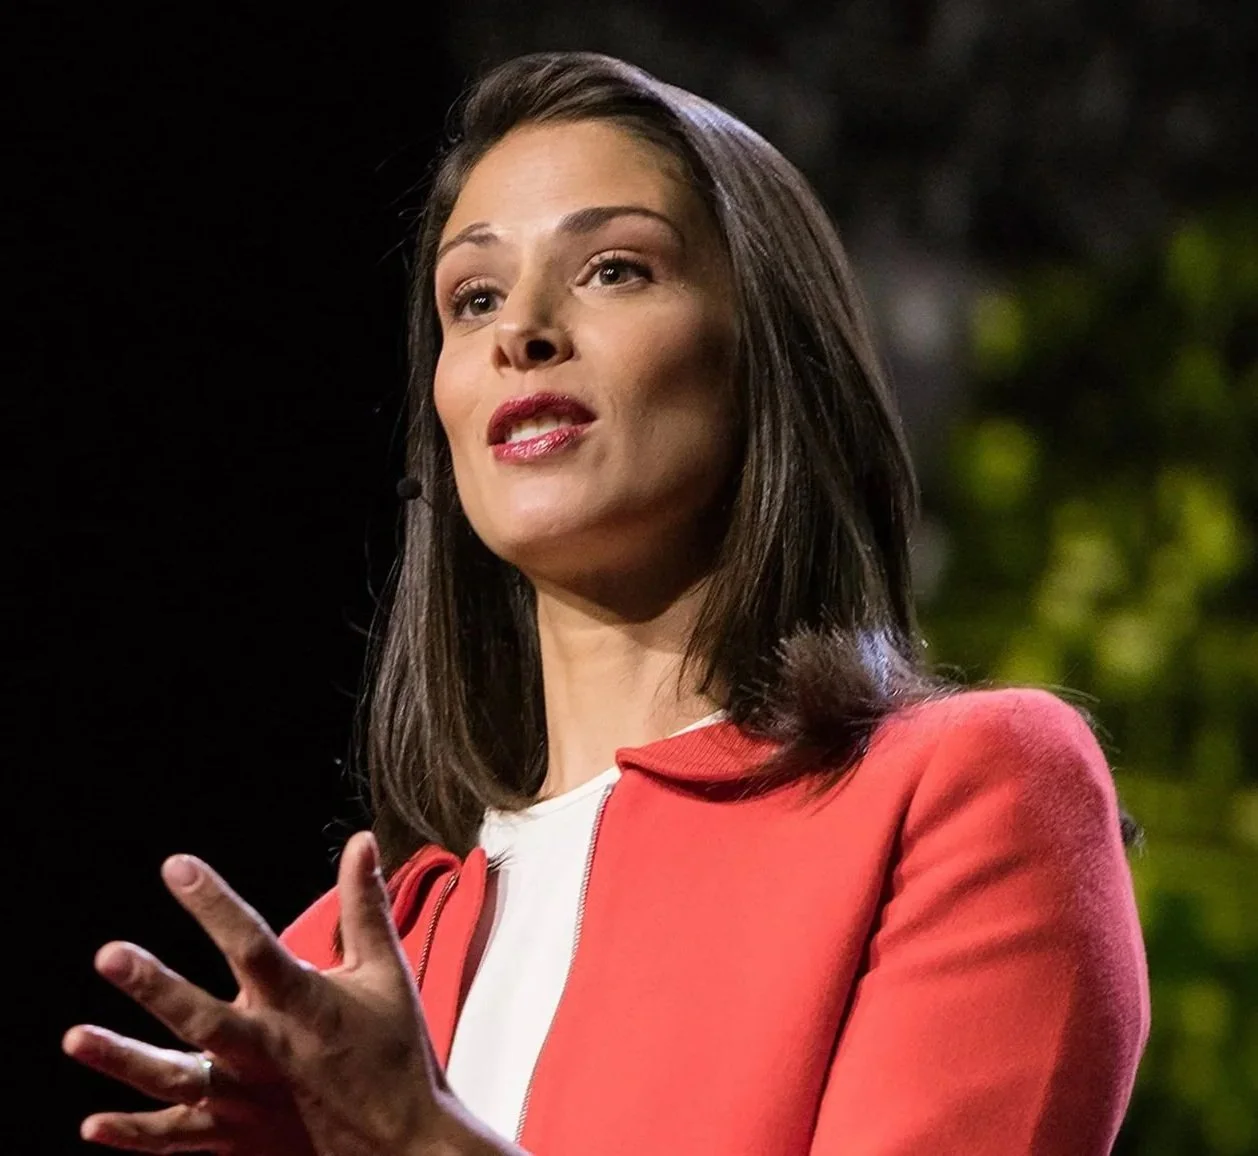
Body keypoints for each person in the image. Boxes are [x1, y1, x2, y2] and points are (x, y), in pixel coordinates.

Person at [62, 51, 1150, 1155]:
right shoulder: (335, 971)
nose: (519, 330)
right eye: (472, 297)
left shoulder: (963, 794)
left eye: (614, 269)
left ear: (767, 354)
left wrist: (421, 1140)